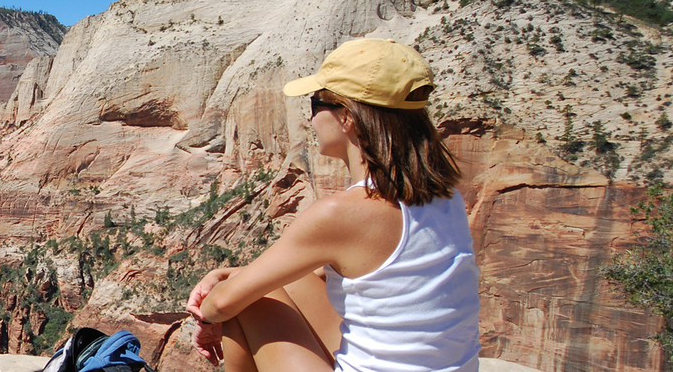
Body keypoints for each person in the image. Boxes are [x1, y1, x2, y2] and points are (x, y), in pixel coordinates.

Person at [183, 38, 481, 372]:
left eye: (315, 105)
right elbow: (315, 271)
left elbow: (222, 304)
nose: (311, 120)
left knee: (242, 302)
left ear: (347, 118)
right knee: (267, 283)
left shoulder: (345, 212)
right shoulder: (445, 195)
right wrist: (225, 273)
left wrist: (209, 315)